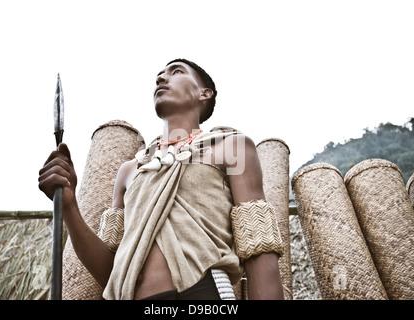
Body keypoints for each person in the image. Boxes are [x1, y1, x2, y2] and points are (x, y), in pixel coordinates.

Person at [38, 59, 284, 300]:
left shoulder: (231, 147)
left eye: (176, 71)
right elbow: (110, 272)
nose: (161, 78)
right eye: (159, 75)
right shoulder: (130, 170)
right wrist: (69, 205)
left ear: (204, 93)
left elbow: (258, 243)